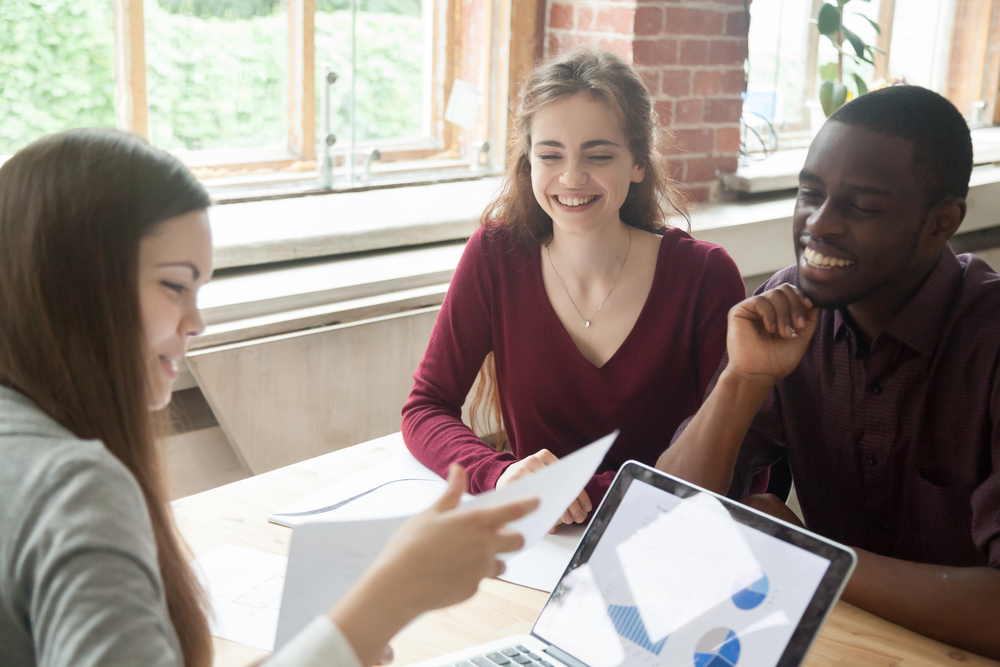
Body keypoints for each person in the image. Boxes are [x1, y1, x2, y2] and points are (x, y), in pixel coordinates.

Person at [0, 128, 538, 667]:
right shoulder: (75, 490)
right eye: (173, 286)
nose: (196, 322)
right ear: (76, 288)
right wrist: (392, 593)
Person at [656, 85, 1000, 658]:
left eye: (861, 206)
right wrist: (743, 381)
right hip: (834, 643)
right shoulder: (785, 307)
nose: (819, 225)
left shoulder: (988, 342)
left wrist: (804, 553)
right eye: (809, 194)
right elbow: (666, 518)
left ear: (941, 223)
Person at [402, 46, 746, 529]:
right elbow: (426, 407)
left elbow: (736, 452)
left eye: (599, 155)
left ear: (638, 163)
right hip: (533, 544)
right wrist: (500, 475)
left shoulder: (704, 276)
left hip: (665, 537)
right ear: (528, 163)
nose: (571, 177)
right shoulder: (495, 256)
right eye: (550, 155)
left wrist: (578, 492)